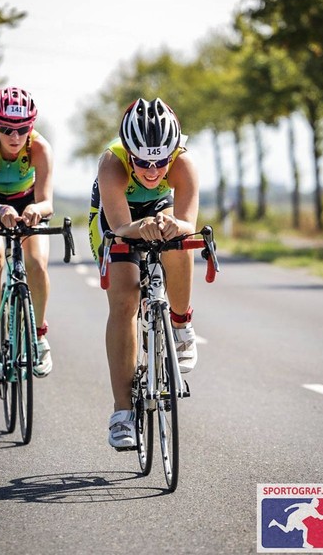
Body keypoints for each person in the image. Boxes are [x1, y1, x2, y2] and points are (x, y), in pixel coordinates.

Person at [89, 97, 199, 450]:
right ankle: (122, 413)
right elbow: (121, 227)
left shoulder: (184, 162)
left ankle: (180, 325)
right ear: (129, 153)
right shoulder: (112, 162)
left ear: (173, 153)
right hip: (117, 218)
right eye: (142, 162)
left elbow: (188, 222)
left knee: (179, 245)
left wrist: (174, 225)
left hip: (159, 208)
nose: (152, 171)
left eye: (160, 162)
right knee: (125, 302)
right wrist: (141, 227)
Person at [0, 86, 54, 383]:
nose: (15, 136)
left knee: (37, 263)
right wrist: (1, 210)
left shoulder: (40, 147)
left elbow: (47, 202)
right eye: (6, 129)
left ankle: (39, 337)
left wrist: (35, 209)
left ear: (31, 126)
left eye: (23, 128)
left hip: (28, 201)